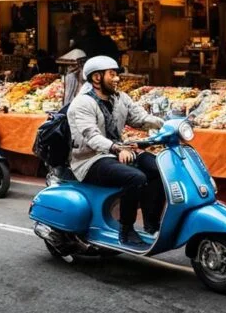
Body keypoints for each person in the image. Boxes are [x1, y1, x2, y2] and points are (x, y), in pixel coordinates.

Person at [67, 56, 164, 248]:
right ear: (96, 78)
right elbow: (91, 136)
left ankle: (151, 225)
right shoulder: (83, 103)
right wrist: (116, 147)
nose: (118, 78)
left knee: (159, 169)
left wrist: (168, 124)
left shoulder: (120, 98)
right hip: (90, 159)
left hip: (118, 151)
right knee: (135, 178)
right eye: (112, 74)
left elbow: (140, 118)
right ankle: (126, 230)